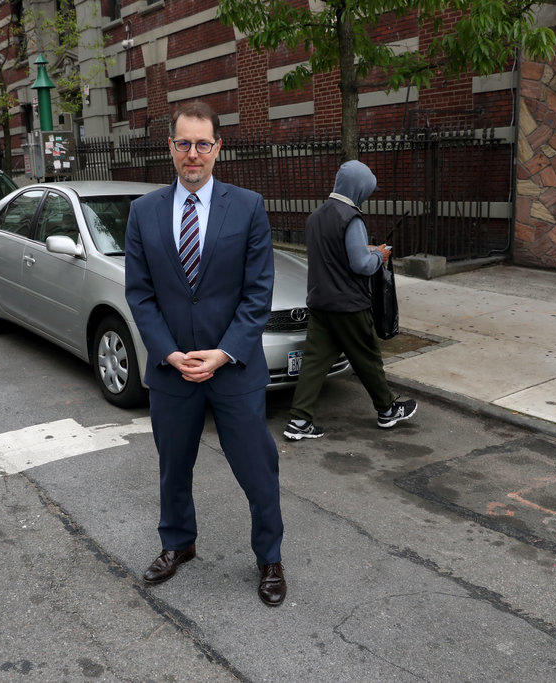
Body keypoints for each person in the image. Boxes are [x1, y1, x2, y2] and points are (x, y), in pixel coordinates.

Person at [124, 101, 286, 607]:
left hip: (233, 368)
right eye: (183, 143)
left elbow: (258, 293)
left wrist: (221, 354)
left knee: (257, 468)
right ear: (170, 148)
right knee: (174, 465)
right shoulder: (144, 211)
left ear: (218, 147)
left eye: (202, 144)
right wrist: (170, 354)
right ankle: (178, 544)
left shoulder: (249, 207)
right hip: (172, 372)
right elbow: (140, 294)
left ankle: (270, 557)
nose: (192, 154)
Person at [284, 160, 417, 440]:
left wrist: (366, 250)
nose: (367, 197)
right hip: (349, 305)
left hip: (320, 303)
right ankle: (387, 410)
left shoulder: (316, 216)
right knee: (368, 357)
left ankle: (299, 421)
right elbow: (361, 265)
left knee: (313, 363)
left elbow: (331, 254)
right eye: (367, 191)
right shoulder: (352, 218)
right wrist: (379, 255)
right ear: (358, 189)